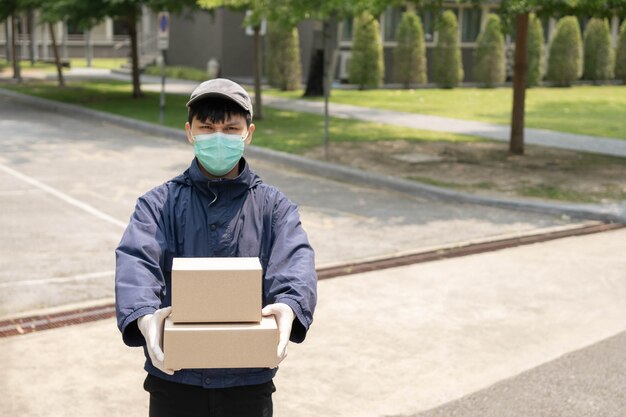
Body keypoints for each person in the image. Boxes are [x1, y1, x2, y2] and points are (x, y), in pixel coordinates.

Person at [115, 78, 317, 417]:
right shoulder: (158, 204)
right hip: (174, 379)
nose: (218, 137)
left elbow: (296, 262)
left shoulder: (274, 207)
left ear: (248, 133)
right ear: (190, 132)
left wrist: (291, 306)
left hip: (248, 382)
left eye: (230, 127)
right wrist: (144, 318)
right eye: (207, 127)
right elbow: (137, 262)